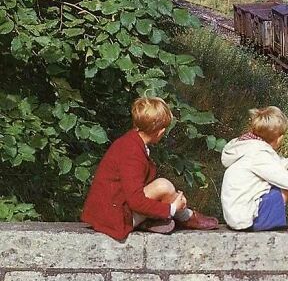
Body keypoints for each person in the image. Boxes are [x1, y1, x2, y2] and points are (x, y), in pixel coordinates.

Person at [81, 96, 219, 240]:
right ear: (160, 131)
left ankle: (174, 217)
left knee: (164, 186)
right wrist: (171, 208)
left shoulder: (132, 141)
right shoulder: (131, 153)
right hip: (113, 219)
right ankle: (183, 216)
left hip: (115, 208)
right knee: (165, 188)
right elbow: (135, 200)